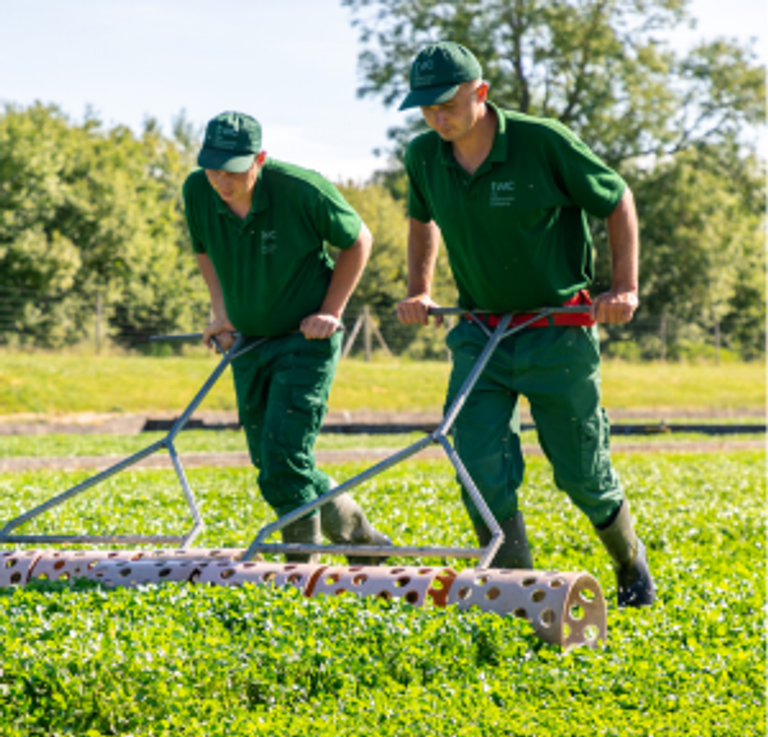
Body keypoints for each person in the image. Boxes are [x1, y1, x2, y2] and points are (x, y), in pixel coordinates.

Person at [396, 43, 655, 607]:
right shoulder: (423, 156)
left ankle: (629, 562)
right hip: (480, 333)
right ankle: (519, 593)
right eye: (426, 108)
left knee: (581, 472)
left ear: (480, 93)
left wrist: (624, 287)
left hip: (557, 330)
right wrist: (419, 290)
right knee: (476, 461)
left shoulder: (543, 142)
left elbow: (617, 199)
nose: (437, 117)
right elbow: (422, 220)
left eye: (447, 104)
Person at [183, 111, 390, 563]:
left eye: (233, 169)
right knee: (271, 461)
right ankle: (365, 543)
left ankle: (300, 570)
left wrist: (330, 311)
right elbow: (205, 250)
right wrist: (220, 312)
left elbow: (359, 240)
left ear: (259, 158)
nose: (221, 180)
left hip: (305, 340)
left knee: (285, 456)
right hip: (250, 342)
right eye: (213, 167)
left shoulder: (302, 189)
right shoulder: (197, 190)